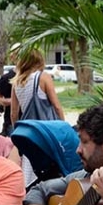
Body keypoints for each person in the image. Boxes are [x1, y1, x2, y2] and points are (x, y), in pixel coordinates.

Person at [11, 48, 65, 186]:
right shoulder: (43, 77)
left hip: (28, 133)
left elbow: (14, 113)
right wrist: (63, 126)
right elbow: (56, 106)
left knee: (29, 170)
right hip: (46, 131)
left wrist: (19, 134)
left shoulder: (16, 82)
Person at [0, 68, 16, 137]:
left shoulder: (34, 76)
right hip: (11, 123)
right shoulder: (7, 78)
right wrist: (14, 101)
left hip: (33, 122)